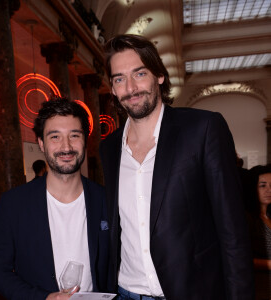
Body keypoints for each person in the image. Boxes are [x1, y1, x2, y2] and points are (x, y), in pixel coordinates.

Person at [100, 34, 254, 300]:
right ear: (112, 88)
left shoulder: (203, 129)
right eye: (119, 78)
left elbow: (233, 232)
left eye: (140, 73)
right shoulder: (109, 147)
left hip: (192, 291)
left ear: (159, 75)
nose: (131, 88)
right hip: (125, 291)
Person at [0, 97, 109, 299]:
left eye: (74, 135)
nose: (66, 146)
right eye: (55, 137)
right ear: (41, 144)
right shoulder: (13, 204)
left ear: (85, 140)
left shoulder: (105, 200)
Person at [247, 164, 271, 299]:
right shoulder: (248, 218)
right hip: (261, 286)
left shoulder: (269, 216)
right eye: (263, 185)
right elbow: (241, 258)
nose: (269, 190)